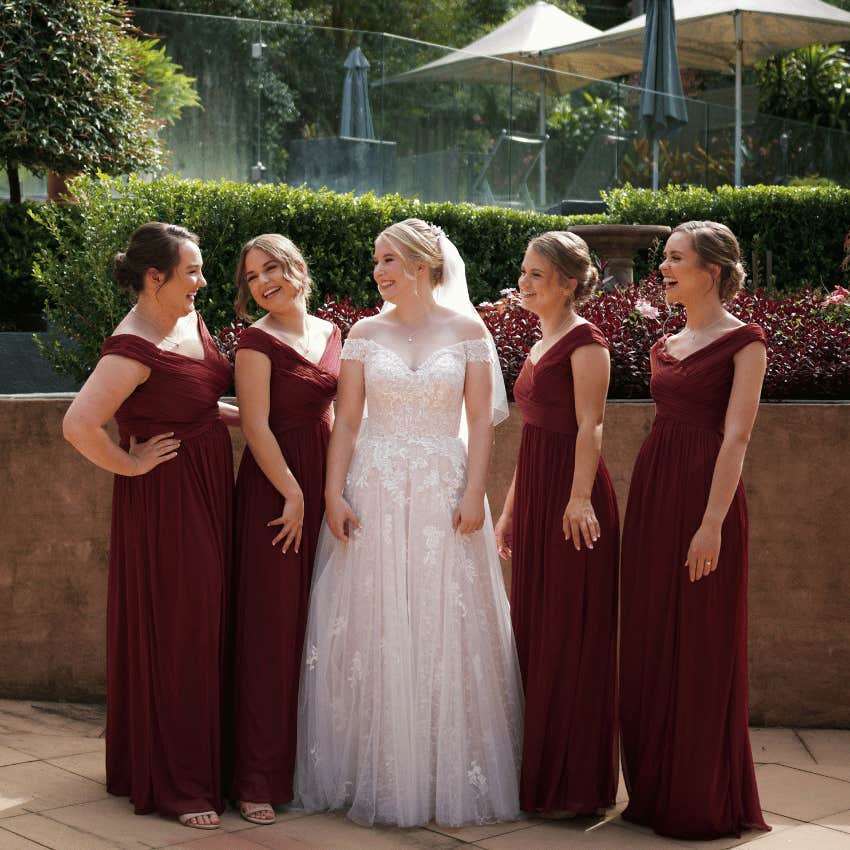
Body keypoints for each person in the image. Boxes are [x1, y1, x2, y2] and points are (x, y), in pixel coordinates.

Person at [293, 218, 522, 827]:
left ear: (423, 265)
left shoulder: (469, 331)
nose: (378, 271)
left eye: (388, 260)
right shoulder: (365, 333)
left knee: (444, 617)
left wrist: (476, 494)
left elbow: (479, 421)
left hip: (444, 486)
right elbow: (345, 421)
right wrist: (331, 492)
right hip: (375, 485)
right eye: (376, 261)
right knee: (377, 618)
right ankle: (372, 770)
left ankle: (444, 770)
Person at [62, 222, 238, 830]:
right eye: (191, 271)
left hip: (211, 488)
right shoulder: (130, 346)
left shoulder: (187, 322)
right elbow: (78, 425)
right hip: (168, 501)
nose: (203, 280)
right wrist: (132, 465)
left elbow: (194, 399)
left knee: (207, 622)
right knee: (182, 629)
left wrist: (260, 423)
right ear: (154, 278)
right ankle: (181, 784)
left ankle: (186, 762)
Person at [619, 221, 770, 840]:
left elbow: (736, 438)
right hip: (655, 495)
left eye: (676, 259)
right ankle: (653, 791)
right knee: (651, 638)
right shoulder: (666, 342)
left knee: (702, 645)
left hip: (707, 502)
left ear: (712, 270)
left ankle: (699, 799)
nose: (664, 268)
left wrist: (711, 526)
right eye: (664, 258)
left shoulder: (745, 344)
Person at [495, 231, 619, 817]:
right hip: (540, 495)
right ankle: (539, 779)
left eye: (537, 275)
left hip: (576, 504)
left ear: (569, 283)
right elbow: (533, 434)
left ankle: (575, 789)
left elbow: (591, 427)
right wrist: (511, 510)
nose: (524, 283)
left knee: (573, 637)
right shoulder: (541, 339)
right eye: (524, 272)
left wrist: (578, 499)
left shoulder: (587, 342)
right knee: (537, 633)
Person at [230, 235, 340, 824]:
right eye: (251, 277)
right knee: (270, 631)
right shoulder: (254, 342)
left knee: (313, 629)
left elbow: (339, 412)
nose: (264, 282)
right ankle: (255, 778)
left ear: (297, 267)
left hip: (324, 482)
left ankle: (305, 769)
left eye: (271, 268)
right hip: (276, 493)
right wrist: (293, 491)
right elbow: (254, 425)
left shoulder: (332, 334)